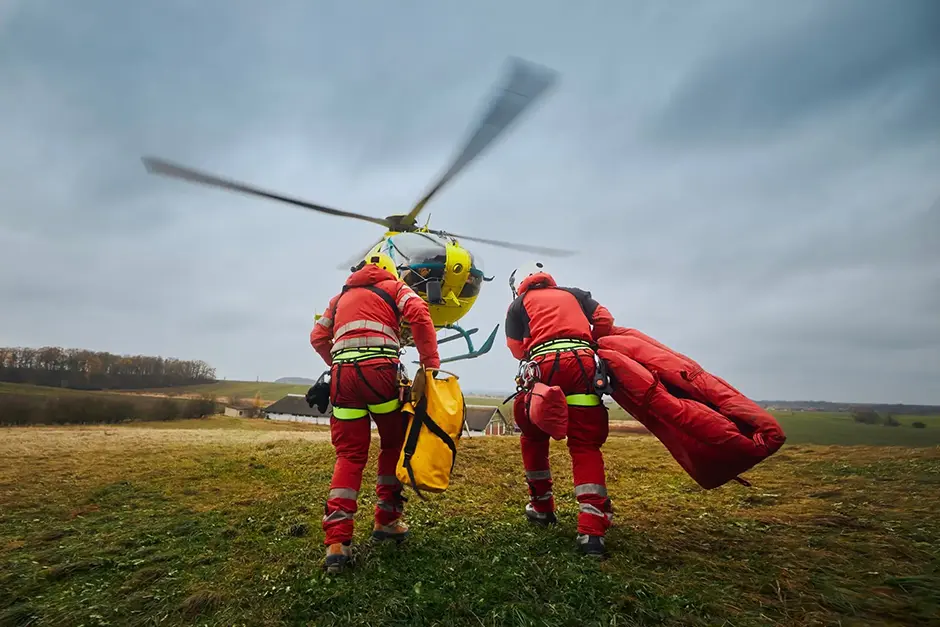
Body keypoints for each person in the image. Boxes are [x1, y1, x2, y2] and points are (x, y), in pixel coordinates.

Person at [310, 252, 441, 574]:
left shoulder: (339, 298)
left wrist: (338, 364)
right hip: (381, 373)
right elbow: (420, 314)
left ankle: (337, 543)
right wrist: (430, 365)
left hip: (342, 377)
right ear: (390, 270)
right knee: (392, 445)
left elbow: (317, 337)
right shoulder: (395, 287)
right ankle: (387, 520)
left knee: (349, 455)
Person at [504, 261, 615, 558]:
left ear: (519, 285)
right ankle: (591, 530)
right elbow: (604, 319)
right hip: (584, 365)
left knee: (532, 435)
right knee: (585, 444)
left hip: (543, 367)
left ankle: (542, 507)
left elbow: (516, 349)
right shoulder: (576, 294)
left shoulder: (518, 305)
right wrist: (590, 341)